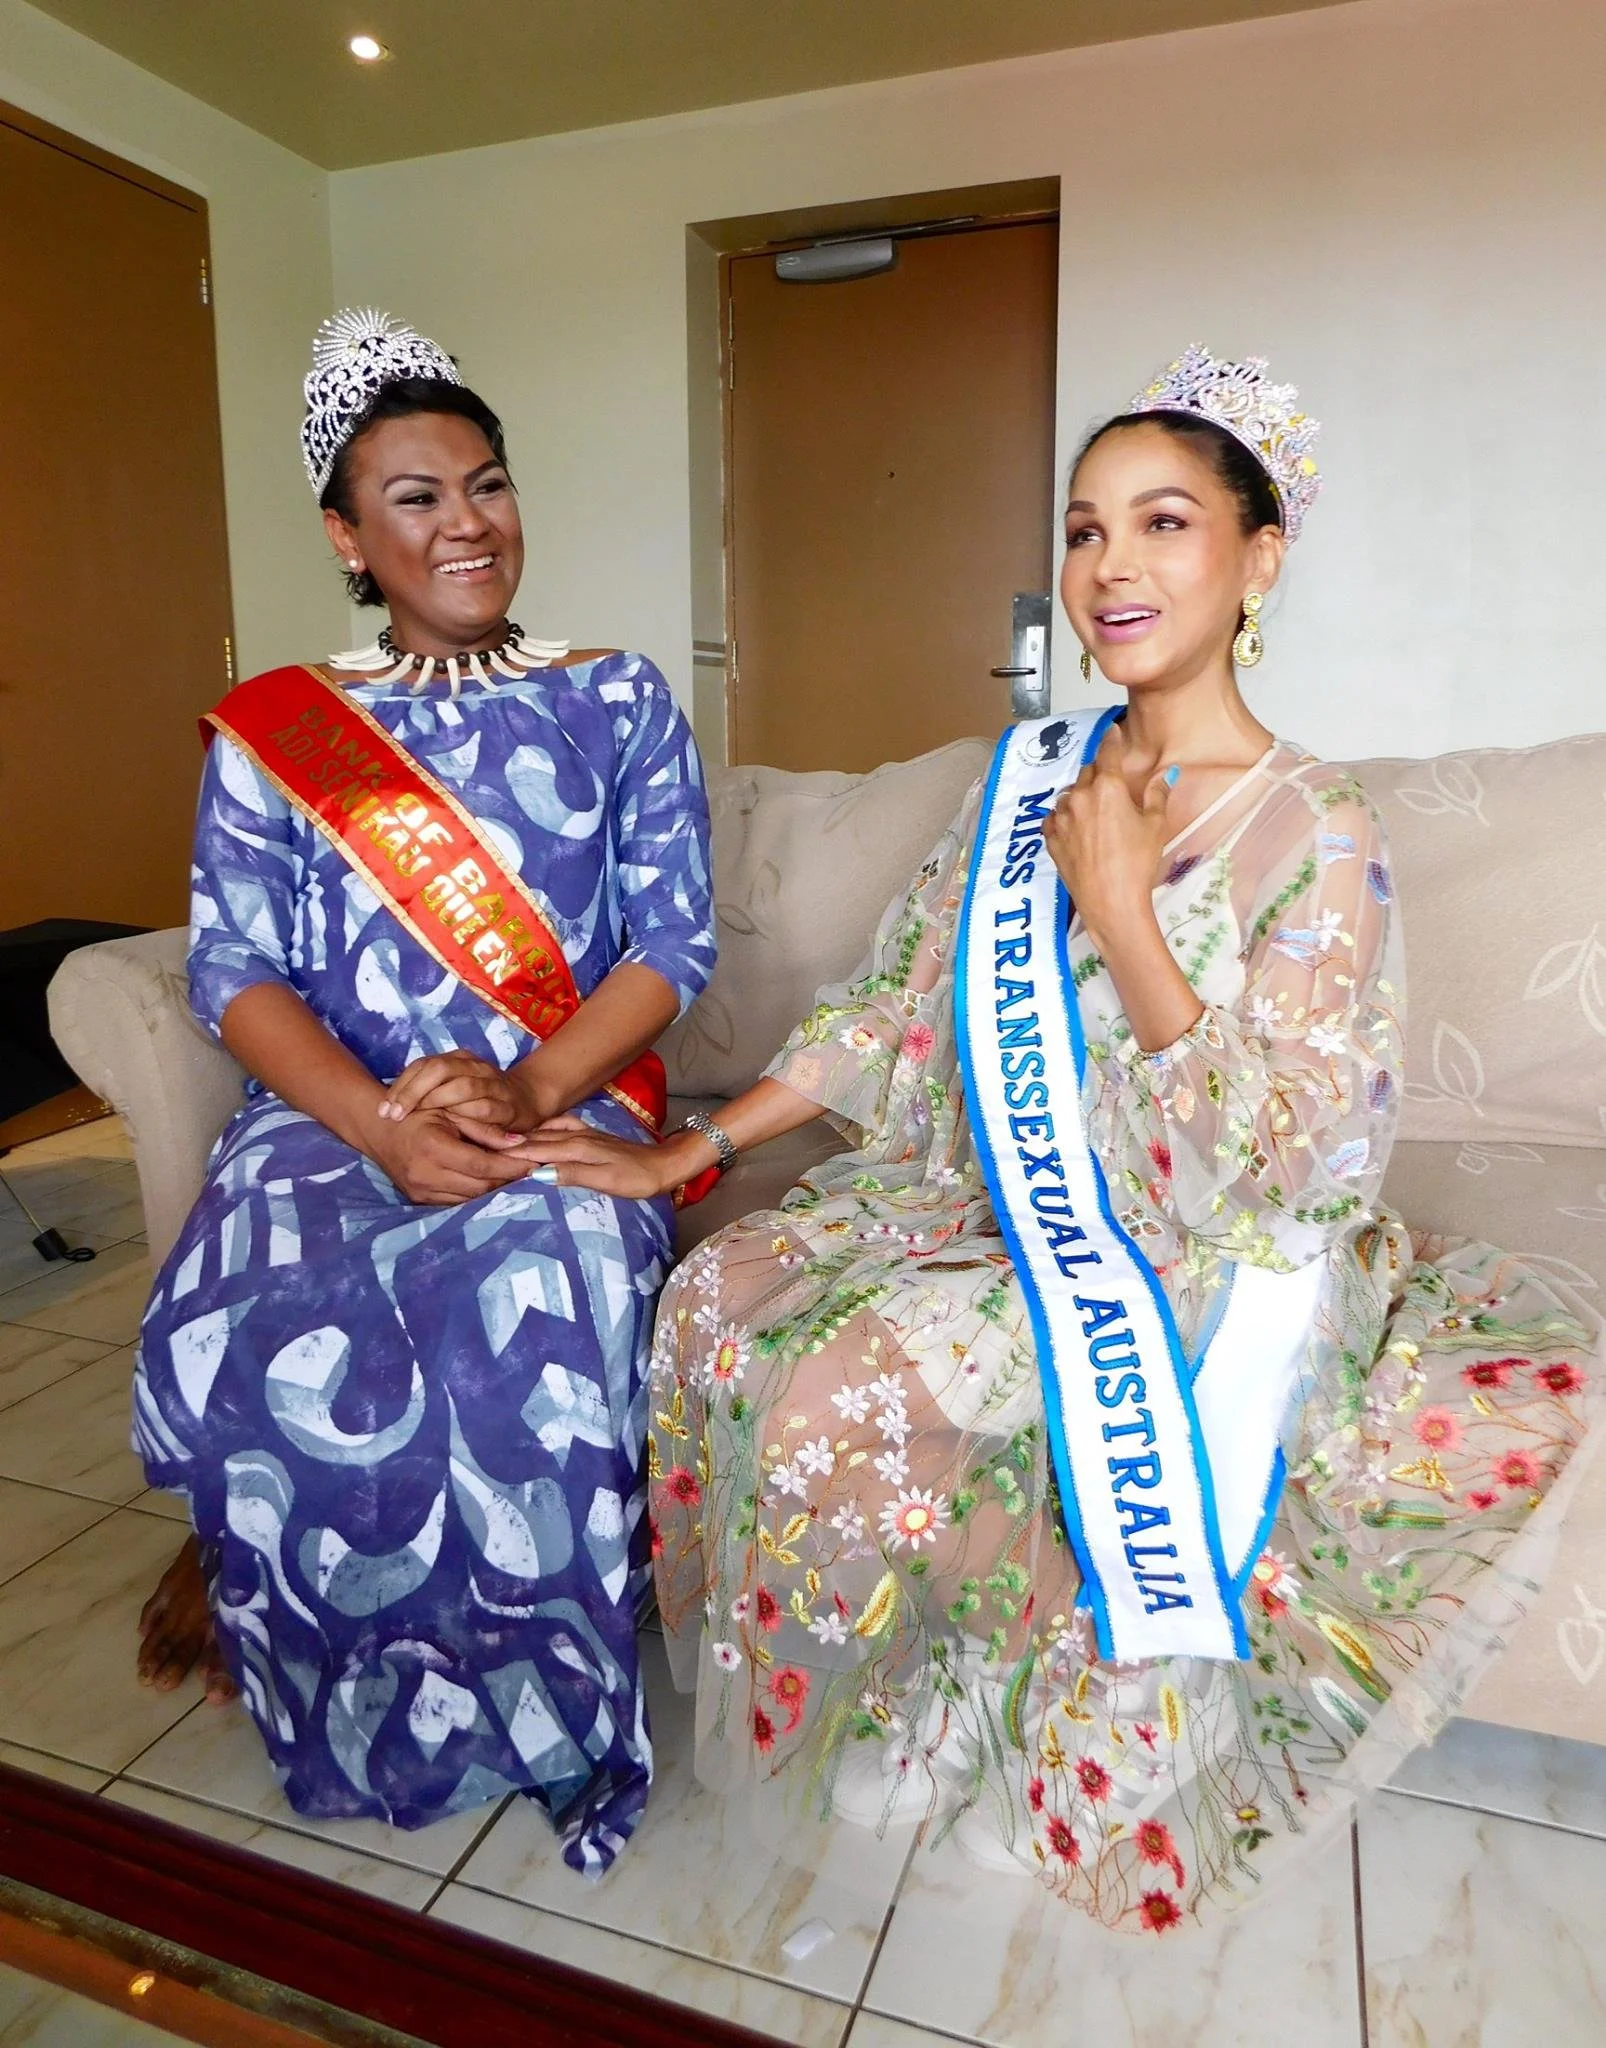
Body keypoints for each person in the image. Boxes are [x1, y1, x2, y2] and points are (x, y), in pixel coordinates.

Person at [517, 347, 1601, 1928]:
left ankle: (1106, 1704)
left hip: (1206, 1238)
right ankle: (962, 1666)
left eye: (1163, 522)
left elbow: (1290, 1159)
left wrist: (1123, 911)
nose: (1110, 566)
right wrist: (689, 1153)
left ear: (1257, 562)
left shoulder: (1314, 825)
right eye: (1086, 530)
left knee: (883, 1377)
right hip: (998, 1196)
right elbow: (891, 1003)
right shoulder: (1031, 775)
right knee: (727, 1306)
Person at [132, 309, 715, 1869]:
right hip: (332, 1116)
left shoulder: (616, 698)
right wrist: (378, 1122)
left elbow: (669, 942)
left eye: (487, 484)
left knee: (538, 1294)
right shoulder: (278, 732)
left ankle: (551, 1712)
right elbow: (233, 970)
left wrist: (527, 1094)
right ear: (346, 534)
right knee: (261, 1311)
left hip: (559, 1098)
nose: (467, 522)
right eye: (416, 496)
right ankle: (335, 1692)